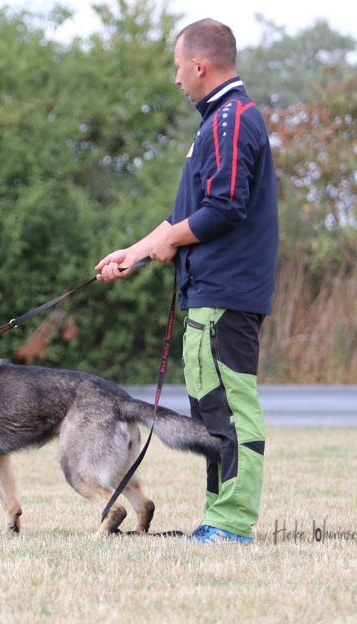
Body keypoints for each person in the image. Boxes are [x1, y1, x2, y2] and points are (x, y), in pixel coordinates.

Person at [95, 18, 279, 544]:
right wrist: (134, 253)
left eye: (178, 68)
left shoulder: (232, 119)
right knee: (211, 413)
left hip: (226, 295)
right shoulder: (215, 122)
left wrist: (170, 242)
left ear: (199, 65)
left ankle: (232, 524)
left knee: (231, 411)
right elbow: (185, 216)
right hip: (207, 298)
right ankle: (217, 519)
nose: (176, 79)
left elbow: (225, 208)